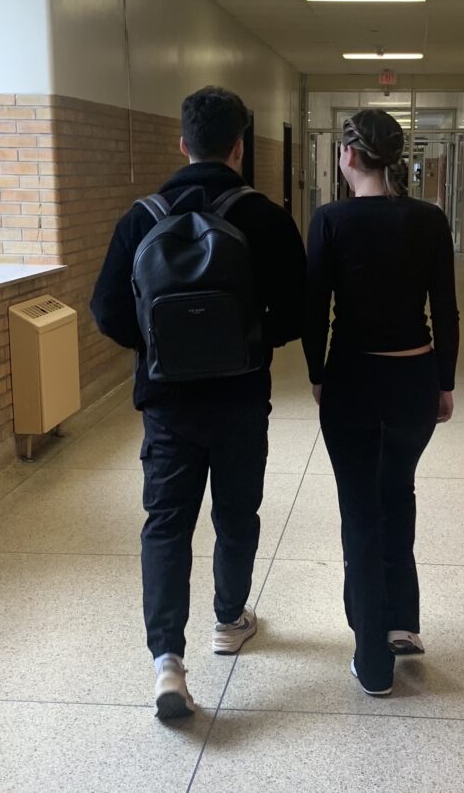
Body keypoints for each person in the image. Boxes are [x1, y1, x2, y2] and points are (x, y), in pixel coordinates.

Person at [91, 86, 307, 719]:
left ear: (181, 142)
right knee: (237, 512)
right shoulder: (263, 216)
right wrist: (246, 342)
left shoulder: (141, 217)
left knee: (166, 524)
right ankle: (229, 619)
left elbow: (107, 310)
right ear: (239, 146)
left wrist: (159, 347)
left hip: (166, 405)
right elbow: (295, 311)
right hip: (241, 398)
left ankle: (167, 663)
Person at [303, 109, 460, 697]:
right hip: (414, 380)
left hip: (351, 381)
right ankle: (402, 623)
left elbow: (314, 310)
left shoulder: (330, 221)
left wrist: (317, 373)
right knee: (398, 489)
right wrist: (444, 380)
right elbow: (445, 308)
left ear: (348, 155)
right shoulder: (429, 220)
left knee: (360, 511)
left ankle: (372, 657)